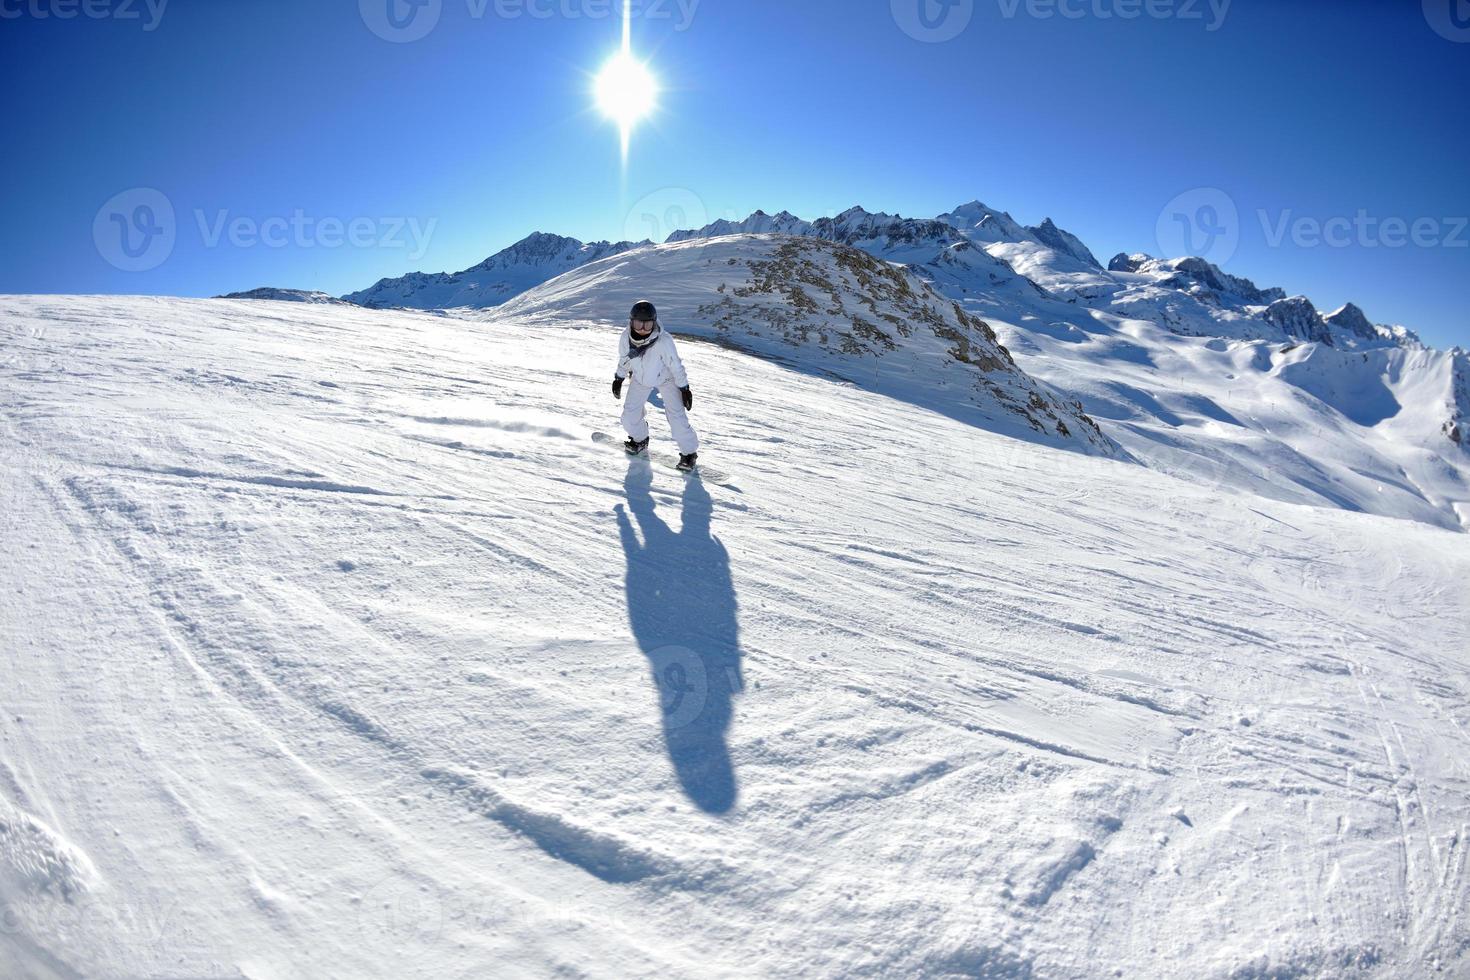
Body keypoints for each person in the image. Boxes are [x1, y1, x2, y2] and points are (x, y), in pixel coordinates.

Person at [612, 300, 699, 471]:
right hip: (641, 379)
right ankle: (640, 440)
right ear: (631, 322)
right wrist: (619, 377)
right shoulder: (625, 337)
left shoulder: (663, 341)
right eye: (638, 323)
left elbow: (675, 365)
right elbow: (624, 360)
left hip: (666, 380)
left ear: (654, 323)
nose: (642, 329)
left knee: (677, 418)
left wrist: (684, 388)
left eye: (647, 324)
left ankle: (689, 454)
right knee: (629, 416)